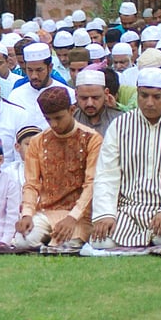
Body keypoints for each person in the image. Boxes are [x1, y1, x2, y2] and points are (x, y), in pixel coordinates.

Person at [91, 68, 161, 250]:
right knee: (101, 240)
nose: (149, 103)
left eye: (156, 97)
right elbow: (106, 174)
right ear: (137, 93)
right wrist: (105, 213)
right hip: (129, 209)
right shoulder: (120, 125)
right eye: (144, 95)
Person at [14, 87, 101, 252]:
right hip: (47, 211)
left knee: (68, 245)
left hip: (80, 214)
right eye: (48, 119)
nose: (54, 124)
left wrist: (73, 217)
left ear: (72, 110)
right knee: (22, 241)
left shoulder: (92, 138)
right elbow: (31, 184)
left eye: (58, 118)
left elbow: (91, 184)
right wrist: (27, 214)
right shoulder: (38, 141)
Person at [72, 69, 123, 135]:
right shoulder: (70, 120)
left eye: (95, 98)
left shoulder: (119, 120)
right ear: (76, 95)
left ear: (106, 94)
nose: (89, 103)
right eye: (84, 98)